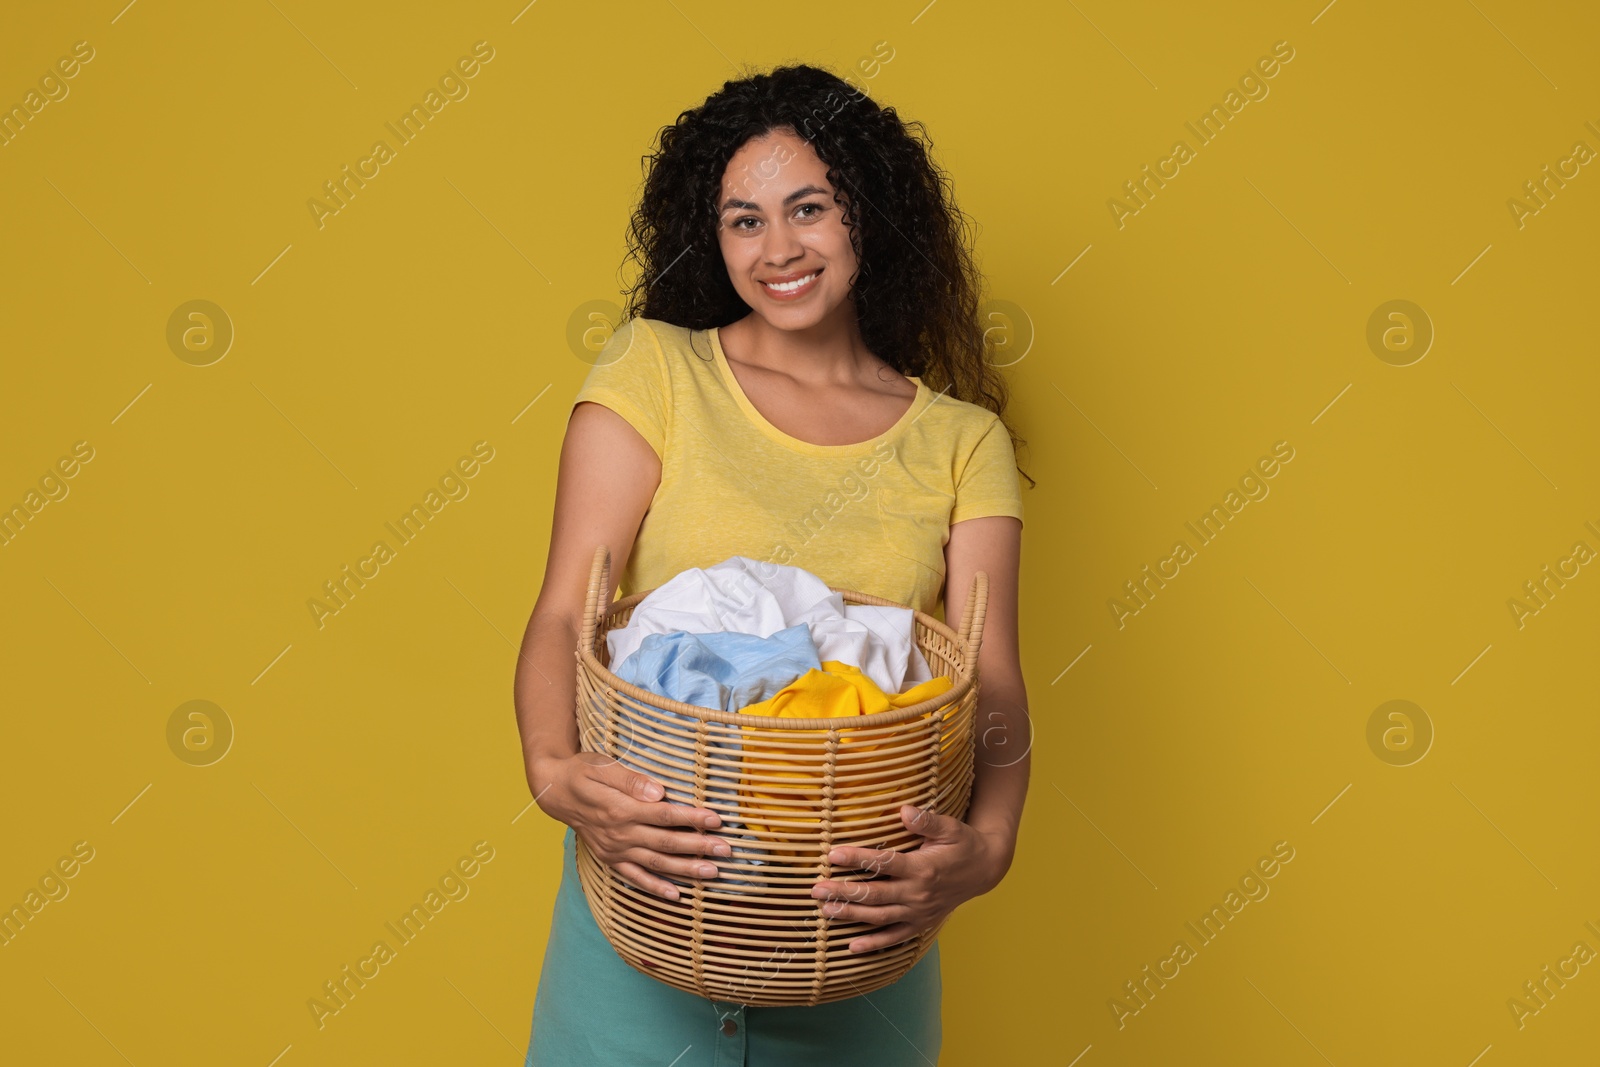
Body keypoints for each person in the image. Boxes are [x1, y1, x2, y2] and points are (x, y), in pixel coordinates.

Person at [514, 62, 1033, 1066]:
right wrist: (552, 770)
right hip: (642, 915)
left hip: (857, 939)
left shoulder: (961, 442)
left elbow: (992, 677)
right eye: (743, 219)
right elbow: (559, 614)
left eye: (809, 208)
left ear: (867, 217)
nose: (778, 248)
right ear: (710, 235)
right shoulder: (655, 370)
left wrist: (991, 844)